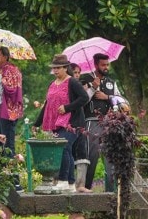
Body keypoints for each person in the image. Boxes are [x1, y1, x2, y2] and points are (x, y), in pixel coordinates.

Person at [34, 54, 89, 193]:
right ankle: (70, 184)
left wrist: (67, 107)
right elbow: (47, 105)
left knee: (63, 147)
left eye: (58, 68)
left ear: (66, 68)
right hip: (57, 123)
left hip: (73, 122)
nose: (55, 71)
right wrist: (36, 123)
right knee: (66, 150)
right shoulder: (52, 84)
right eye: (54, 68)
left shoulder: (72, 82)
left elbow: (84, 98)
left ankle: (63, 180)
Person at [82, 53, 121, 192]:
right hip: (91, 123)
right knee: (91, 158)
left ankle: (111, 192)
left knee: (110, 158)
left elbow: (121, 101)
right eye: (103, 65)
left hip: (108, 123)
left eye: (107, 64)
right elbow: (81, 101)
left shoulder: (111, 82)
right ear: (96, 64)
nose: (106, 67)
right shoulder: (85, 79)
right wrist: (92, 87)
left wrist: (107, 97)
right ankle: (85, 191)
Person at [0, 46, 24, 191]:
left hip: (8, 113)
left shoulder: (12, 70)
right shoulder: (1, 70)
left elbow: (10, 90)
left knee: (8, 147)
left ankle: (14, 182)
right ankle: (1, 181)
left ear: (5, 56)